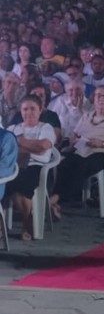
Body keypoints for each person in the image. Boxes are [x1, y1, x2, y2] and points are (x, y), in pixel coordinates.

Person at [49, 86, 104, 218]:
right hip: (83, 150)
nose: (101, 98)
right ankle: (55, 203)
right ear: (93, 99)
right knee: (63, 165)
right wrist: (74, 140)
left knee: (81, 166)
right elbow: (75, 135)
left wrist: (102, 143)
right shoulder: (87, 116)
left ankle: (54, 200)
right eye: (98, 95)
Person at [5, 95, 56, 240]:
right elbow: (8, 150)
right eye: (25, 109)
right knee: (8, 183)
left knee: (22, 182)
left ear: (40, 110)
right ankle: (26, 220)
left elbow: (43, 146)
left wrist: (20, 142)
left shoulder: (46, 128)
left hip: (36, 165)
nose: (29, 112)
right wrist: (31, 146)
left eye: (33, 109)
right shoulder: (13, 128)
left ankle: (26, 223)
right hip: (15, 166)